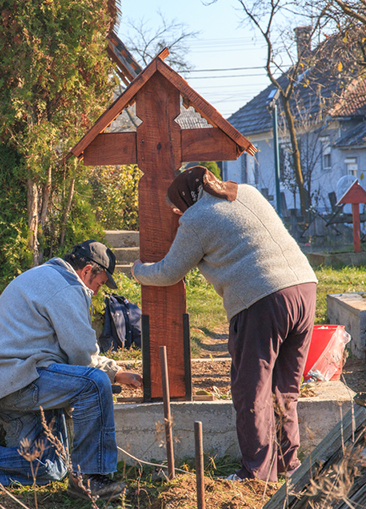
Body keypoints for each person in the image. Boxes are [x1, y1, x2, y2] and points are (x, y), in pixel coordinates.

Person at [131, 166, 317, 482]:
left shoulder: (195, 220)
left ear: (186, 197)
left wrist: (138, 270)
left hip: (261, 300)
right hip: (304, 289)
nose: (177, 213)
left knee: (251, 390)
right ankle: (288, 465)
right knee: (285, 386)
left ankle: (256, 475)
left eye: (177, 206)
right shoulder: (247, 191)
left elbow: (169, 271)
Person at [0, 240, 142, 502]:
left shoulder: (47, 277)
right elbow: (81, 356)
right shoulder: (69, 287)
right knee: (94, 384)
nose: (96, 291)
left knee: (51, 467)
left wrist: (115, 373)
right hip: (23, 379)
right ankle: (91, 479)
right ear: (87, 271)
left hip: (9, 383)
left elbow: (75, 353)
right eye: (99, 283)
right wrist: (106, 376)